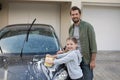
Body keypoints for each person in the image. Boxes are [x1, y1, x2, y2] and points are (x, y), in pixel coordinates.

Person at [69, 6, 97, 80]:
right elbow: (71, 44)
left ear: (80, 15)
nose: (74, 16)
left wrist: (93, 60)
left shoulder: (88, 26)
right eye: (73, 14)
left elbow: (93, 45)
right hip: (75, 59)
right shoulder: (71, 28)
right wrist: (63, 51)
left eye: (76, 14)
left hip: (85, 59)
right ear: (71, 16)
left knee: (88, 77)